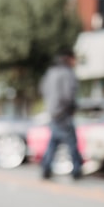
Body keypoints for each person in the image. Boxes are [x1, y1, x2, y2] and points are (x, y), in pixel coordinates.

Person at [39, 50, 83, 180]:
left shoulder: (50, 73)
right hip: (64, 113)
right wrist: (72, 107)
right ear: (69, 59)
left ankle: (46, 167)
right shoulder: (67, 73)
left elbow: (43, 89)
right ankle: (76, 170)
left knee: (53, 142)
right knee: (72, 143)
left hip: (53, 112)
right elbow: (68, 94)